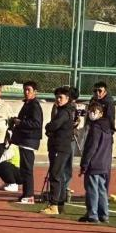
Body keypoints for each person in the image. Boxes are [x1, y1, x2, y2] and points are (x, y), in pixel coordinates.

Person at [41, 86, 76, 215]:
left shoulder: (64, 112)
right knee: (59, 175)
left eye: (61, 97)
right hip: (61, 147)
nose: (58, 99)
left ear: (67, 98)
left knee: (55, 175)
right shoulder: (65, 111)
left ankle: (54, 204)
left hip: (59, 147)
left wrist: (48, 127)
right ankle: (60, 204)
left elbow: (54, 125)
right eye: (57, 97)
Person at [78, 100, 113, 224]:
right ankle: (104, 214)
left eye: (94, 111)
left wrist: (84, 164)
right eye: (90, 111)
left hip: (94, 163)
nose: (91, 113)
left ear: (101, 113)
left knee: (92, 189)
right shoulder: (108, 128)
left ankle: (92, 214)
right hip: (104, 163)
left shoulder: (96, 127)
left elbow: (91, 147)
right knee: (101, 189)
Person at [9, 80, 42, 204]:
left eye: (29, 90)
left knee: (27, 169)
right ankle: (26, 193)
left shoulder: (35, 106)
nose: (26, 92)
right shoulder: (28, 104)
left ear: (35, 92)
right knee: (24, 169)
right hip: (24, 140)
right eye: (25, 90)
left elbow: (37, 123)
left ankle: (29, 195)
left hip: (29, 141)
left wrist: (20, 122)